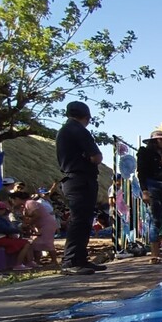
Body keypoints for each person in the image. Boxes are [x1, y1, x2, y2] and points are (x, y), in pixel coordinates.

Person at [55, 101, 105, 275]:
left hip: (73, 179)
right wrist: (89, 158)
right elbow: (96, 157)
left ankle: (80, 258)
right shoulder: (78, 130)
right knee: (79, 220)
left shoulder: (65, 130)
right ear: (87, 117)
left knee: (83, 220)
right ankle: (70, 261)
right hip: (80, 179)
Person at [137, 130, 162, 264]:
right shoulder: (145, 153)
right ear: (155, 141)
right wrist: (144, 191)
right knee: (153, 220)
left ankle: (157, 251)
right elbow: (141, 173)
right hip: (152, 187)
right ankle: (154, 253)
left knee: (159, 220)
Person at [0, 201, 36, 270]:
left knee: (27, 242)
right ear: (1, 210)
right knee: (26, 243)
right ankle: (18, 264)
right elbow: (3, 229)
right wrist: (18, 230)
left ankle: (29, 262)